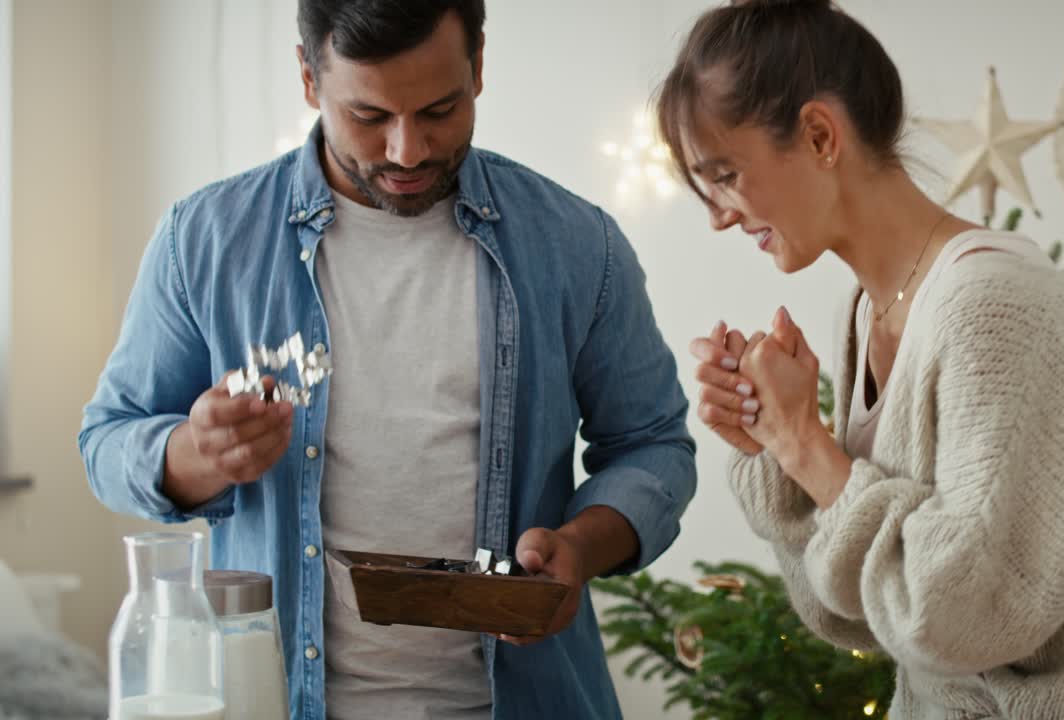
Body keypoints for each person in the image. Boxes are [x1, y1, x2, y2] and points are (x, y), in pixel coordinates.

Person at [79, 1, 696, 718]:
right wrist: (194, 454)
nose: (408, 150)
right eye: (369, 117)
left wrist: (581, 549)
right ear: (309, 78)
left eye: (440, 109)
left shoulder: (578, 245)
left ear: (480, 66)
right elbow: (106, 442)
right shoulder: (206, 240)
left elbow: (655, 446)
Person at [661, 0, 1064, 717]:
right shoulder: (862, 310)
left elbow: (959, 615)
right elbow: (861, 618)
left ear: (821, 134)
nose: (718, 214)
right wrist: (773, 448)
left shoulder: (993, 304)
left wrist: (805, 444)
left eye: (725, 174)